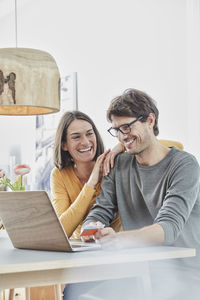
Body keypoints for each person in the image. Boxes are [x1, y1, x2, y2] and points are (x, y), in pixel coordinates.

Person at [64, 88, 200, 300]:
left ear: (150, 120)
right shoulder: (119, 164)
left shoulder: (184, 165)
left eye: (126, 127)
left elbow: (169, 228)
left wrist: (120, 240)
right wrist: (93, 229)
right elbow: (100, 210)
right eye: (116, 130)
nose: (121, 136)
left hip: (183, 273)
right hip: (137, 269)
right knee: (76, 291)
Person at [50, 110, 122, 240]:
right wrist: (90, 184)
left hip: (115, 246)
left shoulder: (112, 165)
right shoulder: (59, 175)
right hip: (80, 248)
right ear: (64, 145)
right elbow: (62, 231)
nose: (86, 142)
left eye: (89, 134)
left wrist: (121, 146)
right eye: (76, 137)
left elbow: (151, 142)